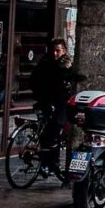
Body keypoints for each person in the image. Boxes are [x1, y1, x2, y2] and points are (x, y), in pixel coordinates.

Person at [29, 38, 82, 174]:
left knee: (55, 130)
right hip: (47, 100)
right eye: (53, 51)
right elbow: (35, 79)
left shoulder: (67, 64)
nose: (55, 54)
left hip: (61, 101)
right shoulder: (46, 62)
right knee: (51, 131)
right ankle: (46, 163)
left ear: (63, 51)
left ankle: (52, 162)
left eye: (58, 51)